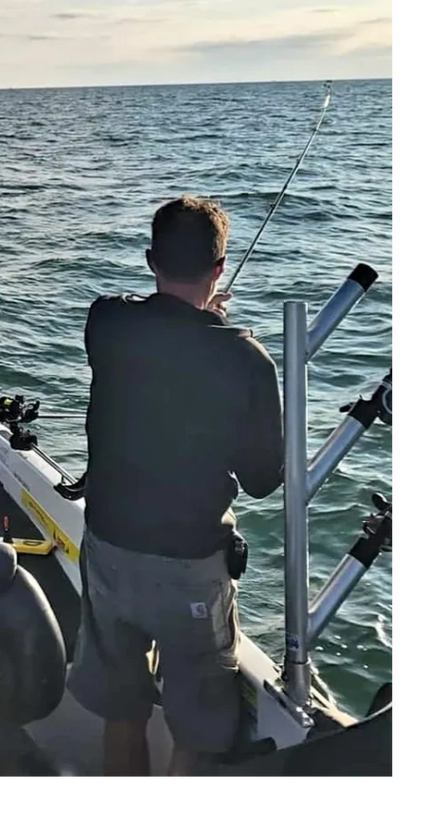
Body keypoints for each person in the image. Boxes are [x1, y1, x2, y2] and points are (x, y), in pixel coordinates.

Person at [67, 196, 283, 780]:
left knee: (123, 709)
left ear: (149, 260)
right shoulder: (247, 360)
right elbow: (265, 481)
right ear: (220, 269)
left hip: (109, 549)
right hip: (190, 563)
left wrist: (200, 312)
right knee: (198, 728)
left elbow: (139, 316)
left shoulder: (106, 324)